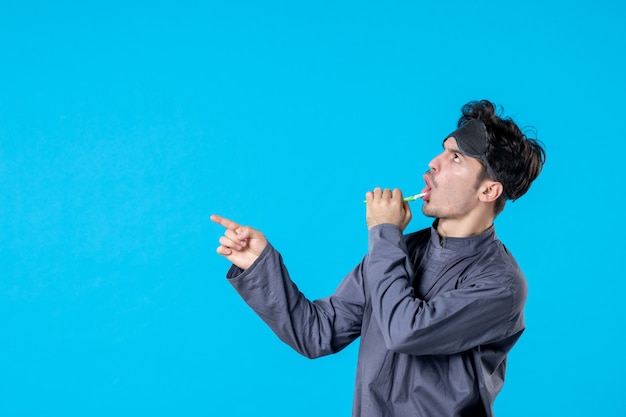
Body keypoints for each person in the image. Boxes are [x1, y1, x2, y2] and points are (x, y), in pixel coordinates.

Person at [210, 99, 546, 417]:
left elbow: (406, 332)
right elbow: (316, 332)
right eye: (442, 151)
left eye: (456, 158)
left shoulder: (501, 285)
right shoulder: (398, 250)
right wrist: (259, 265)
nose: (434, 162)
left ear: (489, 191)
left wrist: (385, 233)